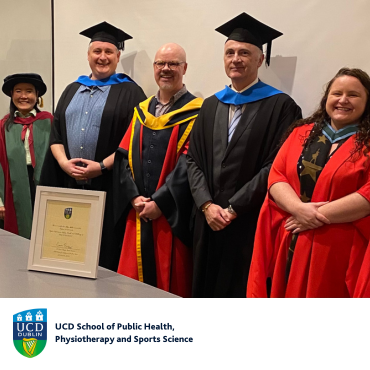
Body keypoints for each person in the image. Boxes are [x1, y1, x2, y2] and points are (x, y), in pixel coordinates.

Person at [187, 12, 302, 298]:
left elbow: (276, 167)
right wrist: (206, 205)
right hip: (209, 220)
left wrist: (233, 208)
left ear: (260, 59)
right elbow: (192, 159)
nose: (236, 58)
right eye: (230, 52)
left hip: (249, 222)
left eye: (244, 53)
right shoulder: (210, 105)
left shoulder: (281, 107)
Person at [247, 67, 370, 298]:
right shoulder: (300, 133)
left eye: (353, 95)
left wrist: (313, 216)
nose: (343, 100)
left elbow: (367, 196)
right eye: (337, 93)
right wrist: (298, 209)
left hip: (337, 250)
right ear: (327, 98)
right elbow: (277, 176)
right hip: (290, 239)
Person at [40, 22, 146, 271]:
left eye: (109, 52)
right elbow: (56, 136)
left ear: (118, 56)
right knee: (70, 251)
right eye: (97, 51)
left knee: (105, 256)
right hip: (69, 184)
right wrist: (65, 163)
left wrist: (101, 166)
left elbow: (134, 140)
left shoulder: (131, 92)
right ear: (88, 55)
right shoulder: (71, 89)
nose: (102, 57)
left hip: (109, 185)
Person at [113, 43, 203, 297]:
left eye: (173, 64)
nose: (166, 69)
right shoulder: (141, 110)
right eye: (160, 64)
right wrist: (133, 197)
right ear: (154, 68)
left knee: (168, 284)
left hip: (171, 215)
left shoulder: (197, 111)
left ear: (184, 68)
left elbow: (189, 163)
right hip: (138, 211)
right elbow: (123, 156)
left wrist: (160, 203)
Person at [0, 73, 52, 238]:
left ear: (37, 96)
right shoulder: (4, 126)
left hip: (43, 181)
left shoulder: (49, 121)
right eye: (18, 91)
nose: (24, 96)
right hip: (13, 186)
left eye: (29, 91)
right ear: (11, 95)